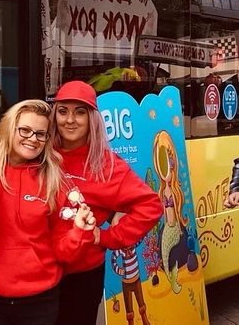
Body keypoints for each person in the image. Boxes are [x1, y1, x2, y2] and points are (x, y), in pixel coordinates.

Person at [0, 99, 96, 325]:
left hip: (39, 301)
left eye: (41, 134)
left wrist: (79, 232)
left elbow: (63, 252)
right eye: (25, 130)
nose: (32, 139)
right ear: (9, 128)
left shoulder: (54, 181)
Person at [51, 80, 163, 325]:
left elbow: (151, 206)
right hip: (40, 272)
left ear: (92, 118)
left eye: (79, 112)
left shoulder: (107, 166)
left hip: (80, 277)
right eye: (63, 111)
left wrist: (107, 238)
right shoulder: (42, 154)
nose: (69, 120)